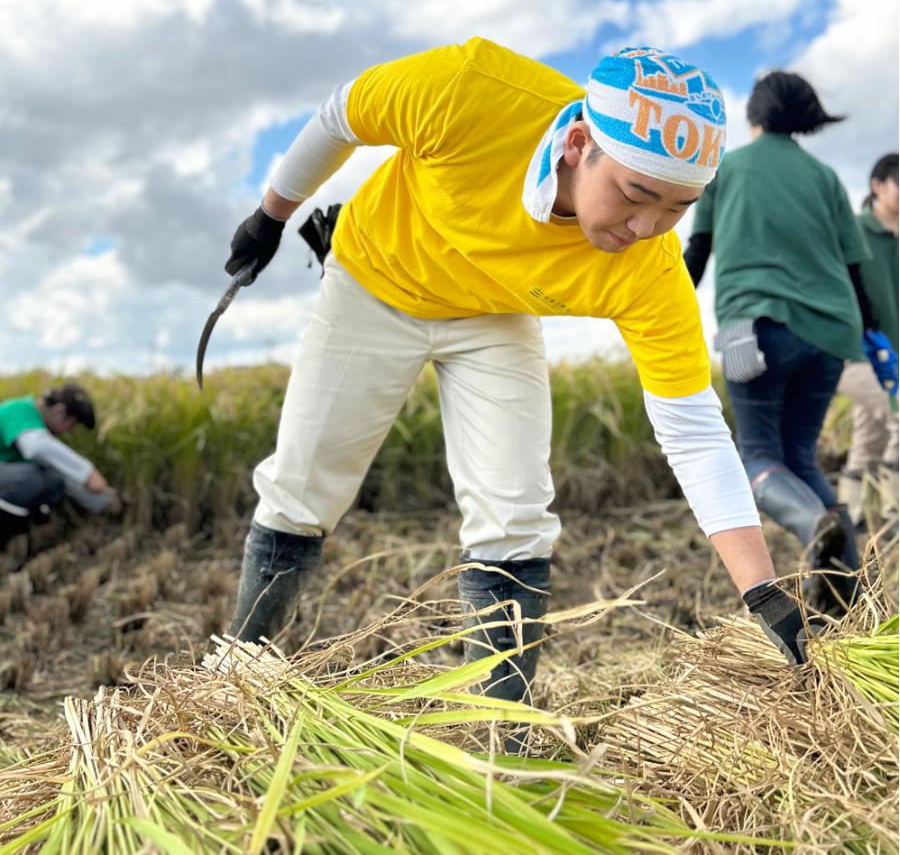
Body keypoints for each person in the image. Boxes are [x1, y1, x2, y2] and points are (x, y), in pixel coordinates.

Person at [222, 40, 821, 725]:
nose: (646, 227)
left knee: (516, 515)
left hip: (494, 313)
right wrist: (271, 215)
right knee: (302, 487)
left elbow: (692, 429)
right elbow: (340, 118)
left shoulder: (650, 271)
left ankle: (508, 732)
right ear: (576, 143)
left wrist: (762, 591)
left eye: (679, 208)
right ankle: (234, 677)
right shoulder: (470, 89)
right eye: (635, 194)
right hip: (376, 280)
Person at [684, 71, 896, 616]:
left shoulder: (727, 168)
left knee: (755, 455)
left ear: (754, 115)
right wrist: (870, 335)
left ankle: (811, 526)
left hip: (745, 326)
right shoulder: (825, 177)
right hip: (829, 334)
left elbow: (698, 252)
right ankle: (849, 592)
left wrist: (664, 312)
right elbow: (856, 270)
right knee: (799, 455)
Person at [836, 154, 899, 525]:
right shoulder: (854, 231)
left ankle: (849, 527)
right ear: (877, 186)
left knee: (867, 445)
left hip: (891, 360)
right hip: (854, 355)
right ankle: (894, 518)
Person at [0, 383, 121, 550]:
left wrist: (104, 502)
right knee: (29, 478)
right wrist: (88, 472)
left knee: (53, 479)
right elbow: (36, 447)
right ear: (59, 411)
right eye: (72, 424)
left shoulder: (37, 426)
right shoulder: (19, 410)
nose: (69, 431)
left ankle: (26, 539)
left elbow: (63, 476)